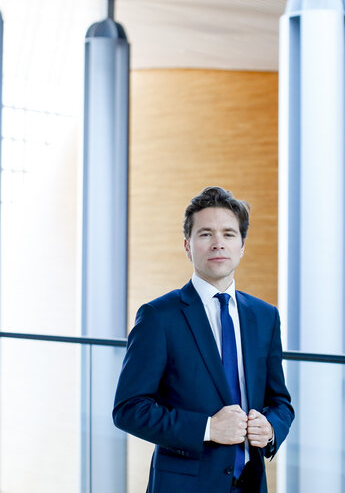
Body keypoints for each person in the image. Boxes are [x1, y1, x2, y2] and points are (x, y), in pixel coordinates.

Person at [113, 186, 294, 493]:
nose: (218, 244)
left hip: (250, 483)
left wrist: (272, 428)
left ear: (242, 246)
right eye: (206, 234)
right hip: (184, 484)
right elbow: (129, 409)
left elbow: (280, 402)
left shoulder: (265, 316)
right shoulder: (159, 316)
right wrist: (208, 428)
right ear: (188, 245)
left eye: (228, 234)